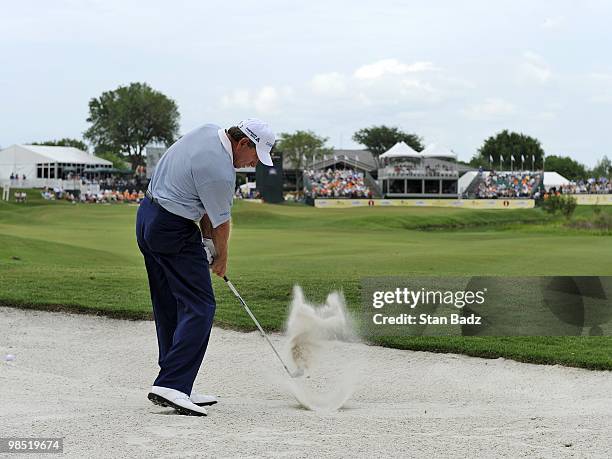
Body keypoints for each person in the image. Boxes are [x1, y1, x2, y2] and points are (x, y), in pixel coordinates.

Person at [136, 119, 275, 416]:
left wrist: (207, 243)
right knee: (201, 306)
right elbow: (222, 223)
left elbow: (208, 212)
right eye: (254, 157)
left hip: (148, 217)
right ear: (243, 143)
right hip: (173, 228)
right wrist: (221, 259)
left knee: (170, 304)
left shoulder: (207, 131)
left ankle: (174, 383)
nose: (253, 165)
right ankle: (173, 384)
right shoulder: (221, 172)